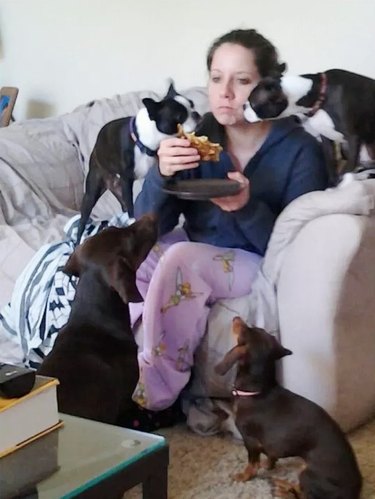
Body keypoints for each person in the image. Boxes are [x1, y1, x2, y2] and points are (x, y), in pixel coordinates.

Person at [130, 28, 329, 411]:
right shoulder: (198, 137)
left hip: (258, 261)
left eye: (242, 81)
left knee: (181, 259)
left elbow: (299, 250)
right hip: (199, 245)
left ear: (268, 87)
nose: (225, 92)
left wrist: (246, 207)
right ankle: (123, 364)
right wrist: (161, 173)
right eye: (217, 78)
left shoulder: (301, 150)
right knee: (132, 253)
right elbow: (147, 224)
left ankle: (154, 398)